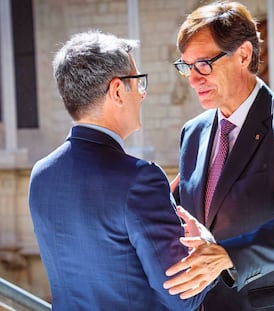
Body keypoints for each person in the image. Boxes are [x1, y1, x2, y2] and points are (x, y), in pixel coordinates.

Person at [28, 30, 214, 311]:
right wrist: (206, 244)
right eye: (138, 82)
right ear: (117, 91)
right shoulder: (141, 179)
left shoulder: (41, 175)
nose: (143, 94)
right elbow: (182, 296)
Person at [163, 2, 274, 310]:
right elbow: (184, 208)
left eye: (204, 64)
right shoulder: (192, 132)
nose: (193, 78)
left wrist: (226, 256)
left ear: (243, 55)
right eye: (187, 66)